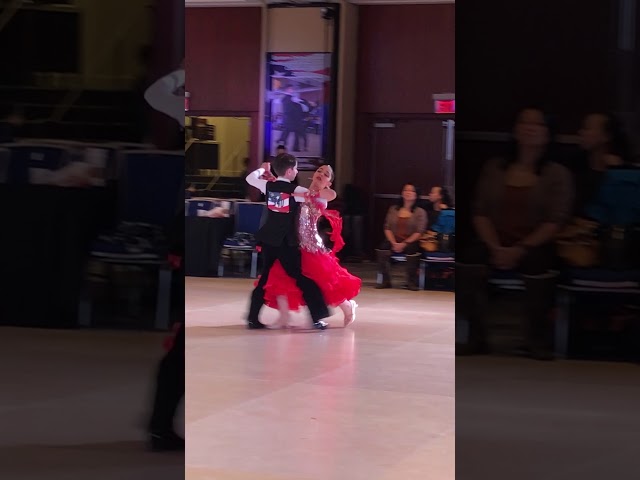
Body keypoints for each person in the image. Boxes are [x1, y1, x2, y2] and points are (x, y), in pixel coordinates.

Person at [457, 107, 574, 360]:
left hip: (535, 242)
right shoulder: (495, 168)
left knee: (539, 263)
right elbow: (481, 212)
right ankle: (476, 337)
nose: (530, 128)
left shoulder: (557, 173)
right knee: (469, 258)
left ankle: (535, 339)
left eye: (537, 124)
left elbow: (556, 220)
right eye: (524, 123)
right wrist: (496, 247)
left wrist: (520, 248)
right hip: (495, 239)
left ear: (548, 133)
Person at [259, 165, 360, 328]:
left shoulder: (326, 194)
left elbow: (324, 194)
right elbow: (283, 192)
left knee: (324, 281)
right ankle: (284, 317)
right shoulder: (299, 190)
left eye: (326, 174)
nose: (321, 174)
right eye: (319, 171)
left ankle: (348, 306)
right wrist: (272, 178)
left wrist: (290, 191)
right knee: (279, 274)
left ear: (329, 182)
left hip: (312, 245)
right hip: (294, 243)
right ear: (313, 175)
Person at [144, 63, 185, 451]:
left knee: (185, 345)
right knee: (182, 343)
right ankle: (159, 428)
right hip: (184, 235)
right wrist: (181, 74)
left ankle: (161, 426)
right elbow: (154, 94)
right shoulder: (188, 106)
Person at [245, 153, 330, 330]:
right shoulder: (296, 190)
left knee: (264, 279)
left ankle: (252, 318)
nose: (297, 171)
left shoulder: (268, 186)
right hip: (285, 243)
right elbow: (313, 196)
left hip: (268, 241)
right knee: (302, 278)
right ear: (290, 171)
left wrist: (264, 169)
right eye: (296, 168)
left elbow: (250, 178)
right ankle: (317, 316)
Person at [376, 183, 428, 291]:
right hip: (394, 239)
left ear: (416, 195)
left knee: (413, 250)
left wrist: (404, 244)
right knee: (382, 248)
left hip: (411, 240)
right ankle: (385, 280)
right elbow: (387, 227)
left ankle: (411, 282)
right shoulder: (393, 209)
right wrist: (394, 243)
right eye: (406, 190)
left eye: (411, 191)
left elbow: (420, 231)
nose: (408, 192)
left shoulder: (420, 212)